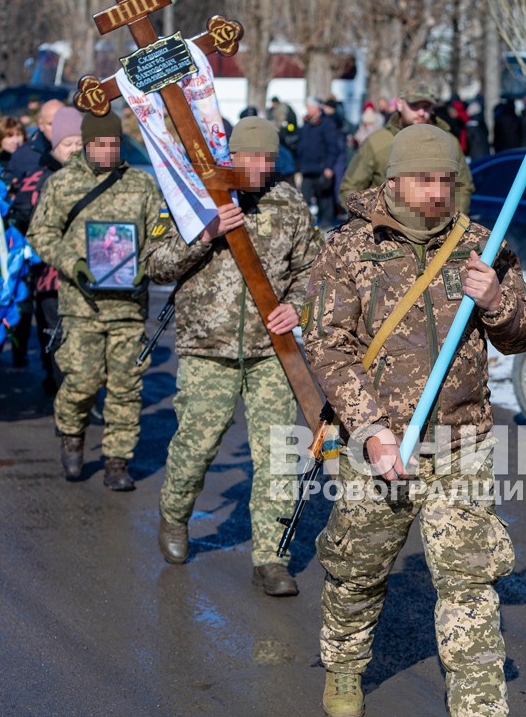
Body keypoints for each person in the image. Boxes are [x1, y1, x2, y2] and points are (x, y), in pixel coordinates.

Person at [304, 123, 526, 717]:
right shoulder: (349, 247)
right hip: (378, 444)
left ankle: (479, 708)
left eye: (445, 180)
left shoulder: (481, 246)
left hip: (461, 442)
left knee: (469, 584)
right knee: (357, 572)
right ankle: (343, 667)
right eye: (422, 180)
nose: (436, 192)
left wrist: (497, 301)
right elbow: (326, 345)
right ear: (392, 182)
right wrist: (372, 432)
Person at [144, 117, 321, 589]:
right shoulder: (195, 197)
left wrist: (297, 308)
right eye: (251, 159)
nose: (261, 169)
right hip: (208, 346)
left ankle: (271, 556)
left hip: (272, 350)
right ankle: (175, 512)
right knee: (197, 445)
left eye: (269, 159)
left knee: (279, 453)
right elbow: (155, 262)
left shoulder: (288, 202)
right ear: (230, 156)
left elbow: (313, 269)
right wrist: (204, 234)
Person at [26, 111, 162, 491]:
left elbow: (160, 234)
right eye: (99, 144)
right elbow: (40, 234)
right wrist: (73, 264)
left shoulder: (141, 184)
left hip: (129, 308)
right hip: (82, 304)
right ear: (86, 145)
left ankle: (117, 462)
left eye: (113, 143)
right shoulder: (63, 183)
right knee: (82, 381)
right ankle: (72, 434)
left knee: (125, 387)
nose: (107, 150)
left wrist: (146, 264)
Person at [11, 107, 82, 392]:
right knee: (57, 338)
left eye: (80, 143)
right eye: (68, 144)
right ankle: (64, 398)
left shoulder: (96, 174)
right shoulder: (37, 178)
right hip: (50, 274)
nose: (75, 150)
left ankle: (81, 396)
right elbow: (24, 218)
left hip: (89, 274)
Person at [339, 79, 474, 215]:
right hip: (387, 230)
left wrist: (455, 221)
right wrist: (370, 221)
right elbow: (350, 188)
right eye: (414, 105)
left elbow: (463, 185)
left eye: (426, 106)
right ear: (399, 104)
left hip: (440, 229)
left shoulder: (449, 142)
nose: (421, 112)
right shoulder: (377, 142)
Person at [297, 98, 344, 228]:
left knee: (323, 198)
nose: (307, 110)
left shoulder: (327, 123)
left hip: (321, 168)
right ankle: (304, 223)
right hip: (306, 168)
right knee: (304, 198)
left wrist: (329, 166)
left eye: (309, 107)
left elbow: (332, 147)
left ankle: (326, 222)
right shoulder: (306, 124)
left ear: (317, 108)